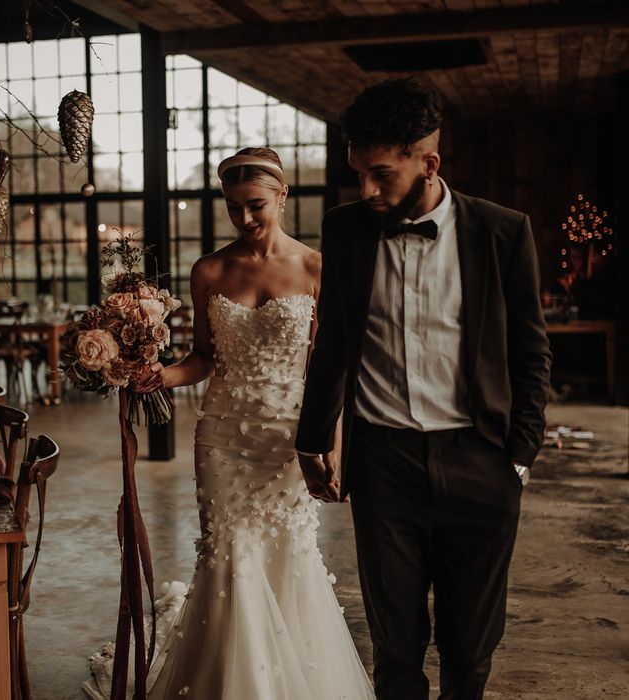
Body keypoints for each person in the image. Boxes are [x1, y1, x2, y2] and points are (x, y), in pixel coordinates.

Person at [83, 147, 375, 700]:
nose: (245, 219)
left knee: (289, 551)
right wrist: (157, 376)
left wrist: (330, 443)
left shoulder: (317, 268)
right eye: (234, 208)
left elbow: (329, 368)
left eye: (256, 205)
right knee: (230, 552)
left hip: (290, 437)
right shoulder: (210, 270)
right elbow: (204, 358)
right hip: (222, 436)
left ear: (283, 196)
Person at [295, 78, 552, 700]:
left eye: (382, 174)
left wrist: (517, 455)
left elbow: (530, 349)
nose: (367, 190)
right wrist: (311, 441)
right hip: (384, 463)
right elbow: (332, 342)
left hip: (479, 460)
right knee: (395, 646)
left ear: (429, 163)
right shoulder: (347, 229)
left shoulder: (503, 231)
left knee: (469, 649)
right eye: (359, 173)